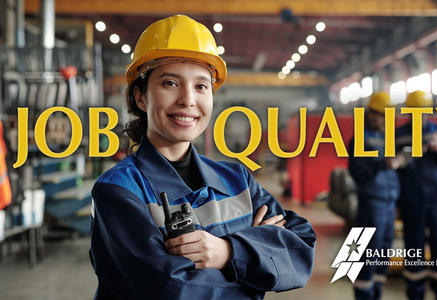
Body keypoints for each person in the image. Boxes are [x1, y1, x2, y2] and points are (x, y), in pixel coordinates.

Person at [89, 15, 316, 300]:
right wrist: (258, 258)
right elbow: (171, 290)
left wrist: (230, 252)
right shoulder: (119, 191)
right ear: (141, 97)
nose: (188, 99)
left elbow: (301, 247)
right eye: (170, 83)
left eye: (201, 86)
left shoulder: (236, 179)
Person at [396, 91, 437, 300]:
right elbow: (392, 170)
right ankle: (415, 294)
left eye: (422, 112)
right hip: (412, 201)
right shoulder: (398, 135)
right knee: (413, 251)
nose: (418, 116)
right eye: (414, 112)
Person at [348, 92, 404, 300]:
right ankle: (363, 294)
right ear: (371, 114)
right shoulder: (360, 138)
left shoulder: (389, 138)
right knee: (367, 252)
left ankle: (376, 294)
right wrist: (383, 164)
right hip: (371, 203)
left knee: (383, 251)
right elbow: (357, 172)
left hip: (389, 203)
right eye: (381, 115)